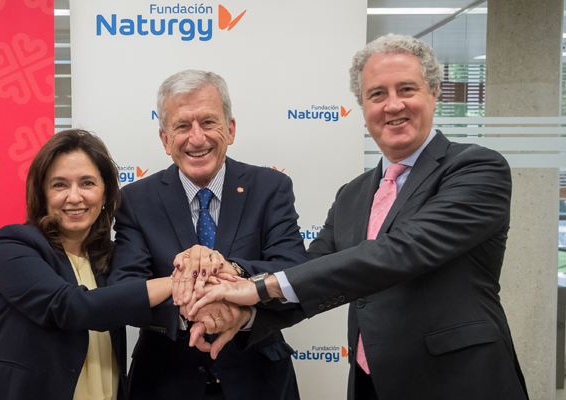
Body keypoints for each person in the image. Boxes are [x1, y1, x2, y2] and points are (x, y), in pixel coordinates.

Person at [189, 34, 529, 400]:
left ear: (434, 92)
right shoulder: (353, 193)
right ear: (363, 106)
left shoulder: (476, 168)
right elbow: (315, 272)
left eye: (407, 89)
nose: (392, 105)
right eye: (377, 94)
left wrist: (256, 287)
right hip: (370, 383)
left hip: (459, 383)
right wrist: (247, 315)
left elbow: (400, 251)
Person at [108, 70, 308, 400]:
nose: (197, 138)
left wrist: (231, 271)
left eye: (208, 122)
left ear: (230, 129)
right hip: (164, 383)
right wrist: (197, 309)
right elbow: (126, 289)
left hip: (259, 382)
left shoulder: (270, 188)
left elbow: (294, 271)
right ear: (164, 138)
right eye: (182, 126)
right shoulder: (135, 200)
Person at [0, 129, 174, 400]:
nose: (74, 197)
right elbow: (70, 307)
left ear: (105, 191)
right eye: (59, 185)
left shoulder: (112, 258)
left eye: (87, 183)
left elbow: (136, 306)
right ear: (42, 192)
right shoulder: (14, 244)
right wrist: (173, 282)